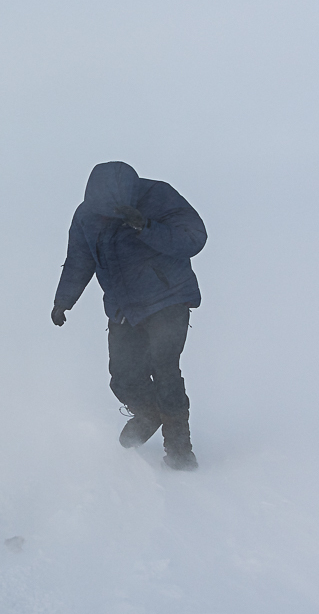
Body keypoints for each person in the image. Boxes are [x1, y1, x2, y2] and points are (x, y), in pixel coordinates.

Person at [51, 161, 208, 470]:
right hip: (125, 307)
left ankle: (180, 452)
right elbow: (79, 260)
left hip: (169, 299)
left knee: (165, 369)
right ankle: (149, 413)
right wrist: (63, 301)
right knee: (123, 378)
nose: (108, 218)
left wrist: (145, 226)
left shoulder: (159, 196)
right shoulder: (86, 216)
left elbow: (194, 240)